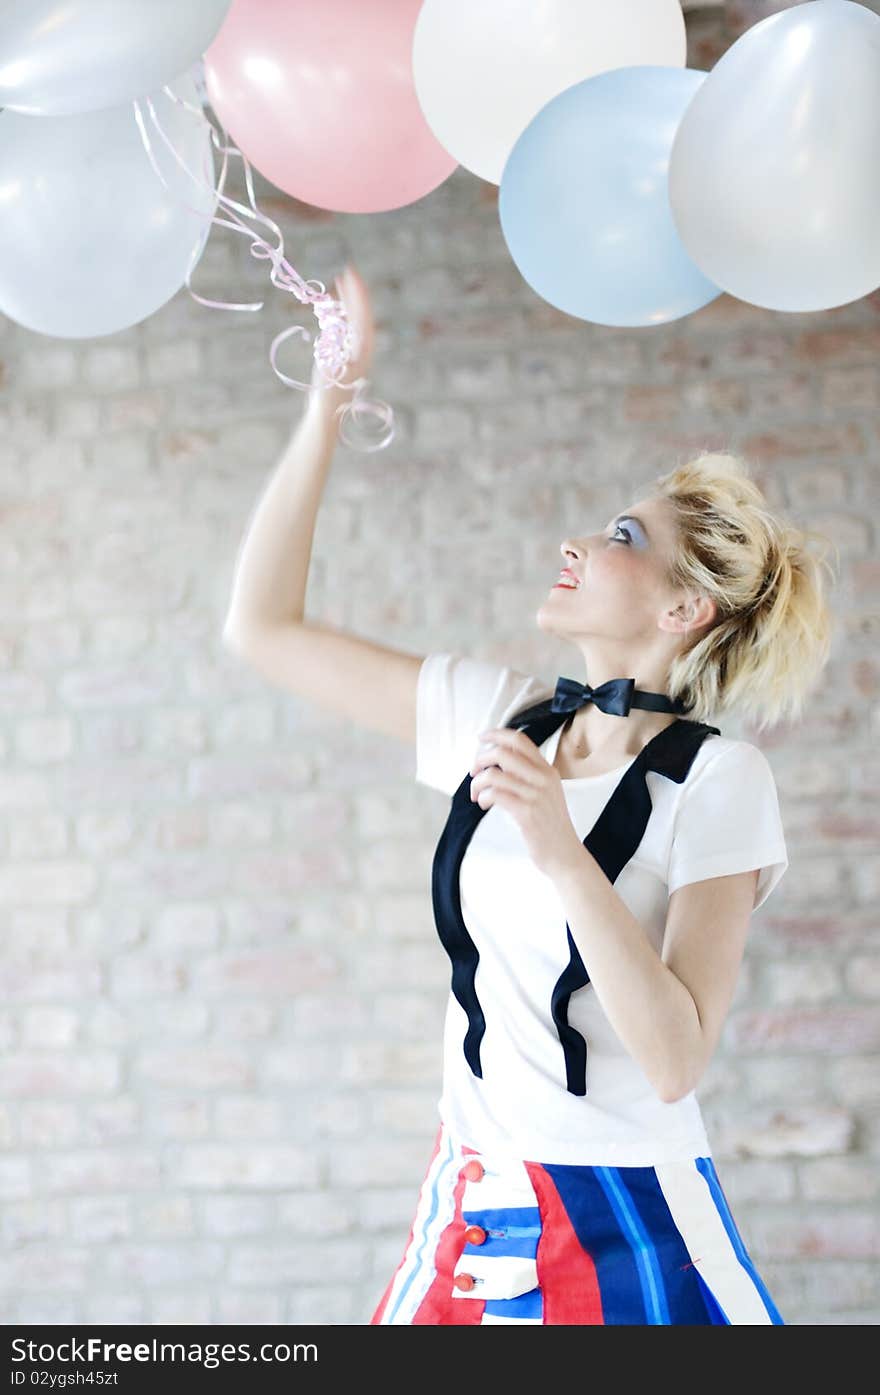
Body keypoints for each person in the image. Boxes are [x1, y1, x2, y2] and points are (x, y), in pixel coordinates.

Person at [222, 264, 837, 1326]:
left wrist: (561, 849)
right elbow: (262, 626)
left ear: (686, 608)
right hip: (471, 1191)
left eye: (624, 538)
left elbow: (676, 1055)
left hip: (624, 1213)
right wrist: (329, 400)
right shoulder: (502, 715)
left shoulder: (719, 780)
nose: (580, 543)